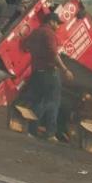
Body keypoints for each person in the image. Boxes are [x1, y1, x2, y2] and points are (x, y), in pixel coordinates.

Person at [23, 12, 74, 142]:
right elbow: (53, 52)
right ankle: (50, 134)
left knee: (37, 102)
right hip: (49, 72)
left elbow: (26, 45)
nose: (58, 26)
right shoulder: (49, 33)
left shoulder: (36, 32)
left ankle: (32, 131)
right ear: (51, 21)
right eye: (57, 23)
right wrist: (65, 69)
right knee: (53, 102)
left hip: (36, 72)